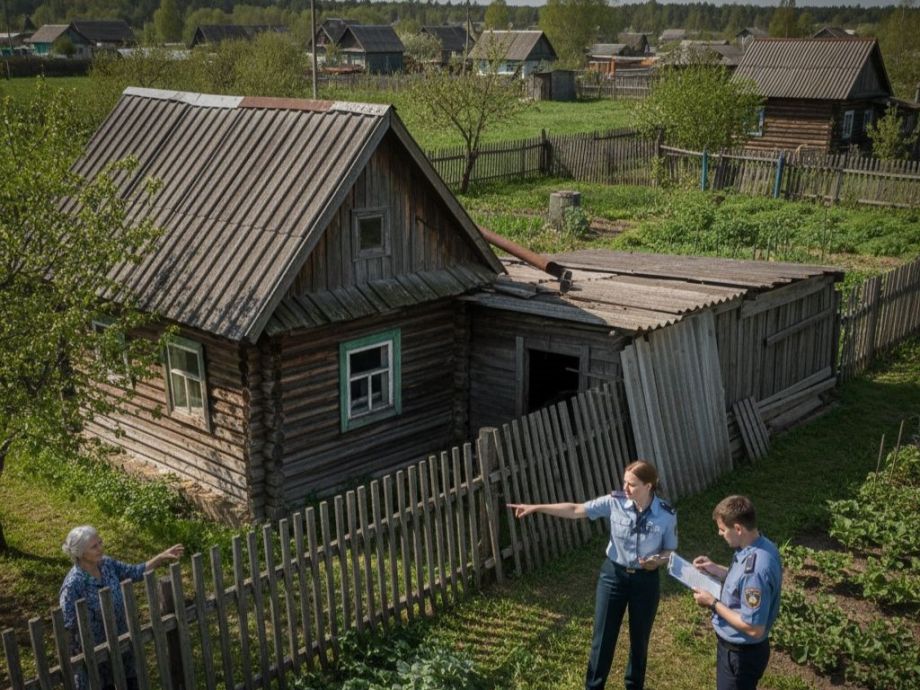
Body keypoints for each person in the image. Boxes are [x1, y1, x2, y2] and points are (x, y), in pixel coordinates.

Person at [508, 460, 677, 690]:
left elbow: (669, 550)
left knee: (640, 640)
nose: (625, 488)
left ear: (648, 486)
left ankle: (634, 685)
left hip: (645, 581)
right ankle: (594, 686)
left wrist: (657, 561)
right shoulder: (614, 502)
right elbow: (576, 510)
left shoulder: (666, 515)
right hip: (613, 577)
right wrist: (536, 507)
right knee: (602, 639)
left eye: (632, 484)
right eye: (625, 482)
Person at [59, 525, 185, 690]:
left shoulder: (107, 564)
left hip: (122, 646)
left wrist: (161, 557)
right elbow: (67, 627)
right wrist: (77, 659)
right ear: (80, 553)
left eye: (100, 542)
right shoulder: (73, 585)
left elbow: (135, 572)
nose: (100, 548)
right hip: (95, 658)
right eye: (94, 546)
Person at [691, 495, 782, 690]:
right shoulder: (759, 545)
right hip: (739, 652)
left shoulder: (755, 571)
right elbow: (740, 581)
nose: (719, 533)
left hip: (741, 656)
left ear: (738, 529)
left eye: (723, 529)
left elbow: (753, 628)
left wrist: (712, 603)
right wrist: (716, 569)